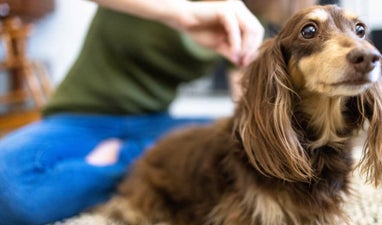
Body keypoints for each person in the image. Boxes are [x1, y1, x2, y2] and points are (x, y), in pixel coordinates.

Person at [0, 0, 264, 224]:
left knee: (228, 146)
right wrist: (183, 14)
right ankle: (134, 163)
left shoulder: (241, 15)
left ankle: (129, 155)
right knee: (10, 190)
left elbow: (241, 106)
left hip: (154, 123)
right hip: (81, 118)